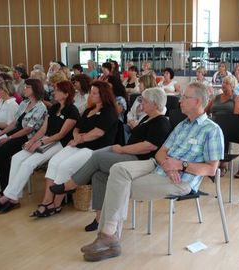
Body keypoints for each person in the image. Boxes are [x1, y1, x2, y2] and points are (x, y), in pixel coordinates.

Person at [78, 82, 224, 262]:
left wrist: (180, 165)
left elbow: (211, 168)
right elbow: (161, 152)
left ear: (198, 101)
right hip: (160, 167)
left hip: (182, 180)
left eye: (185, 97)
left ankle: (108, 236)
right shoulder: (182, 125)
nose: (180, 101)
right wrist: (167, 164)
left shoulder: (212, 130)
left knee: (119, 185)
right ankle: (108, 236)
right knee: (118, 171)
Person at [50, 87, 172, 231]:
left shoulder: (161, 122)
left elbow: (148, 147)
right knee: (98, 174)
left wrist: (122, 149)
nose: (141, 104)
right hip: (129, 154)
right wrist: (120, 149)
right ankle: (99, 218)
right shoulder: (147, 118)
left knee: (97, 158)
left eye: (144, 102)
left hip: (141, 161)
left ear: (155, 104)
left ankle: (70, 185)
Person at [0, 81, 79, 213]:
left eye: (57, 90)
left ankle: (8, 198)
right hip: (45, 139)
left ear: (66, 94)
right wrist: (32, 141)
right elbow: (43, 129)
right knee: (17, 158)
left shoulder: (72, 111)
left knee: (28, 163)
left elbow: (60, 135)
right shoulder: (54, 107)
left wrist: (40, 143)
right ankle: (12, 197)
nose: (54, 92)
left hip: (59, 143)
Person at [30, 81, 119, 218]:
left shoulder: (110, 111)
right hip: (78, 144)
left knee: (65, 166)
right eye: (92, 92)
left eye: (95, 93)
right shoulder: (89, 110)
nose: (92, 95)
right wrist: (77, 136)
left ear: (104, 95)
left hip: (95, 149)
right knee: (54, 162)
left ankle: (56, 204)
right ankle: (47, 201)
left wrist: (80, 139)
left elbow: (98, 133)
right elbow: (77, 127)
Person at [0, 79, 47, 191]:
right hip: (16, 133)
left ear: (35, 89)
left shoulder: (40, 107)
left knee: (0, 152)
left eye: (27, 87)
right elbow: (14, 123)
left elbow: (28, 129)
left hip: (28, 137)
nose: (24, 89)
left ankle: (5, 188)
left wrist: (8, 138)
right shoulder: (24, 103)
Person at [206, 75, 239, 176]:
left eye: (226, 83)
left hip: (228, 124)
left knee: (222, 132)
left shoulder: (236, 98)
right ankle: (209, 161)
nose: (223, 85)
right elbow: (206, 111)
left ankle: (222, 164)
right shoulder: (216, 98)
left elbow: (236, 116)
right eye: (223, 83)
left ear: (232, 86)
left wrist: (223, 122)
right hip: (213, 123)